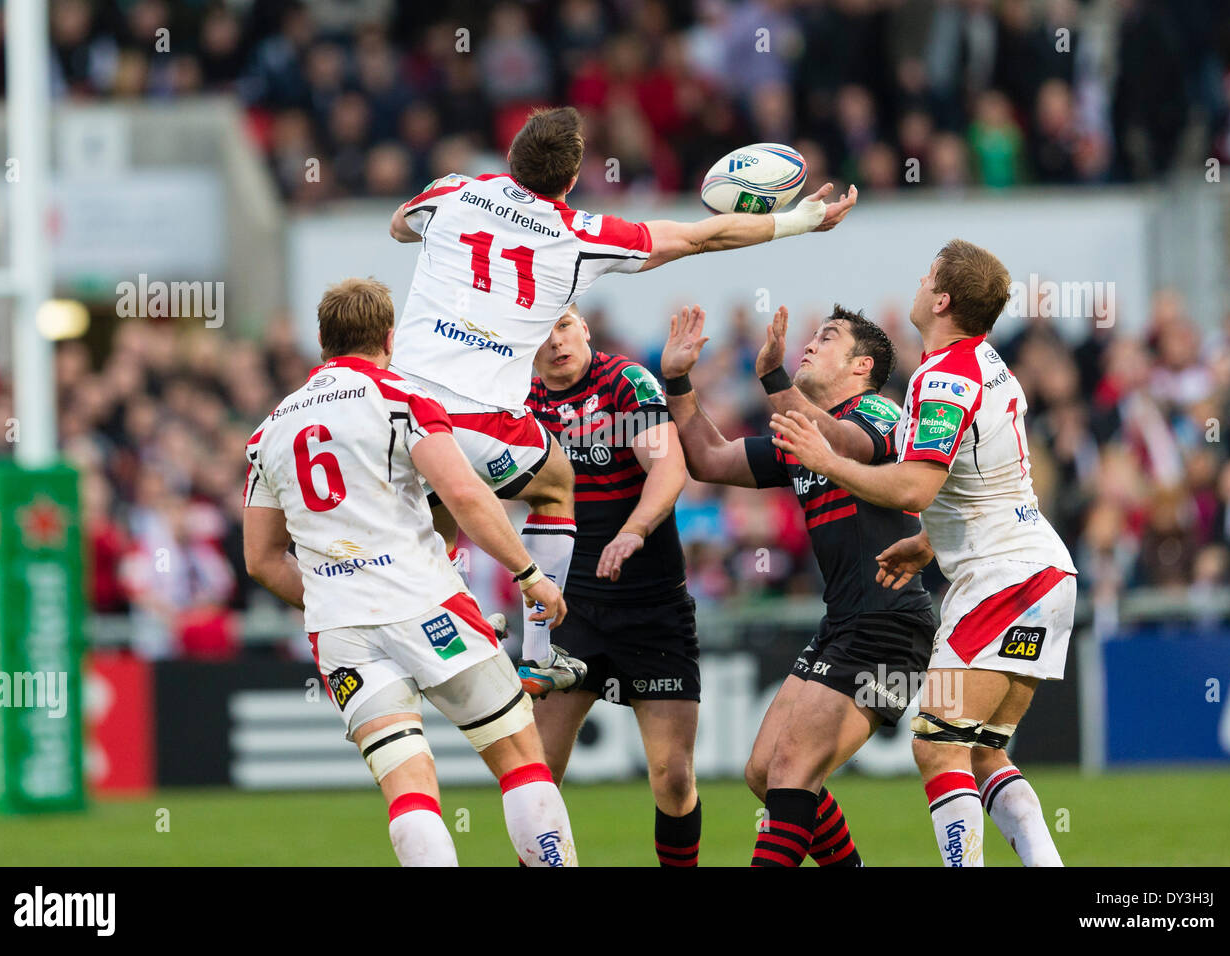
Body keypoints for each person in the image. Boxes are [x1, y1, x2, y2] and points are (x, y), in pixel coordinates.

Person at [388, 105, 857, 695]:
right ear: (571, 176)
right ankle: (536, 654)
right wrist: (804, 219)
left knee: (435, 510)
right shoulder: (581, 235)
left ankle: (440, 622)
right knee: (555, 482)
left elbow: (399, 227)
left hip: (397, 406)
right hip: (479, 415)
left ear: (511, 157)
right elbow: (699, 235)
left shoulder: (454, 191)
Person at [242, 277, 577, 867]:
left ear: (322, 340)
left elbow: (261, 560)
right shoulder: (402, 399)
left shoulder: (271, 429)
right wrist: (529, 574)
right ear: (390, 338)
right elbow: (466, 495)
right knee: (521, 756)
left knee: (410, 788)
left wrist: (330, 592)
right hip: (427, 602)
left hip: (340, 630)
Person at [769, 239, 1076, 867]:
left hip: (1003, 582)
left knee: (938, 744)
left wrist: (826, 460)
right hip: (1041, 577)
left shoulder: (944, 376)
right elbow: (990, 477)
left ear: (941, 298)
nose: (917, 281)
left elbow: (914, 484)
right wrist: (929, 541)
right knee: (984, 751)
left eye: (927, 275)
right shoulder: (986, 363)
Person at [661, 302, 937, 867]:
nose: (809, 344)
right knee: (764, 772)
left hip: (890, 626)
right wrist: (678, 379)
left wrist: (774, 379)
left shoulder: (881, 412)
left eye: (827, 337)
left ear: (861, 366)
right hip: (842, 625)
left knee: (792, 770)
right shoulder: (802, 438)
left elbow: (845, 445)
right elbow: (709, 459)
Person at [526, 304, 702, 867]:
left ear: (584, 329)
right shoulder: (521, 406)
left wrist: (633, 530)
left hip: (652, 606)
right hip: (567, 612)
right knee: (536, 776)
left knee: (672, 777)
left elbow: (669, 468)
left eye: (564, 326)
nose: (556, 342)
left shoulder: (625, 382)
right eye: (542, 332)